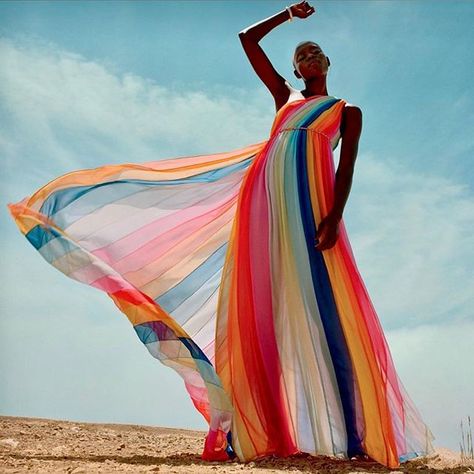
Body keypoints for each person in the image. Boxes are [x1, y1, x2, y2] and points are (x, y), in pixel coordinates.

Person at [7, 0, 435, 470]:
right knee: (259, 308)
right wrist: (287, 16)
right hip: (263, 206)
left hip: (311, 204)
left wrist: (334, 216)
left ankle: (358, 433)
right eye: (302, 54)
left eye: (317, 51)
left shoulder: (346, 111)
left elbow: (346, 166)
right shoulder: (285, 99)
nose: (310, 56)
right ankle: (262, 428)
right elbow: (246, 40)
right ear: (295, 67)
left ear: (328, 63)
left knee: (328, 304)